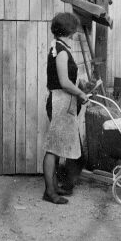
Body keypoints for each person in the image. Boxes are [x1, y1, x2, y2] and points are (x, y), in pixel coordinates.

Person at [42, 12, 90, 205]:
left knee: (56, 146)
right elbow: (64, 82)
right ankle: (49, 192)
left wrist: (81, 86)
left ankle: (53, 188)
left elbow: (67, 80)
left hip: (62, 101)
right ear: (69, 29)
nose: (76, 31)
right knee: (53, 148)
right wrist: (81, 93)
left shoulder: (58, 47)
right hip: (60, 101)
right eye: (74, 28)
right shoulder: (62, 51)